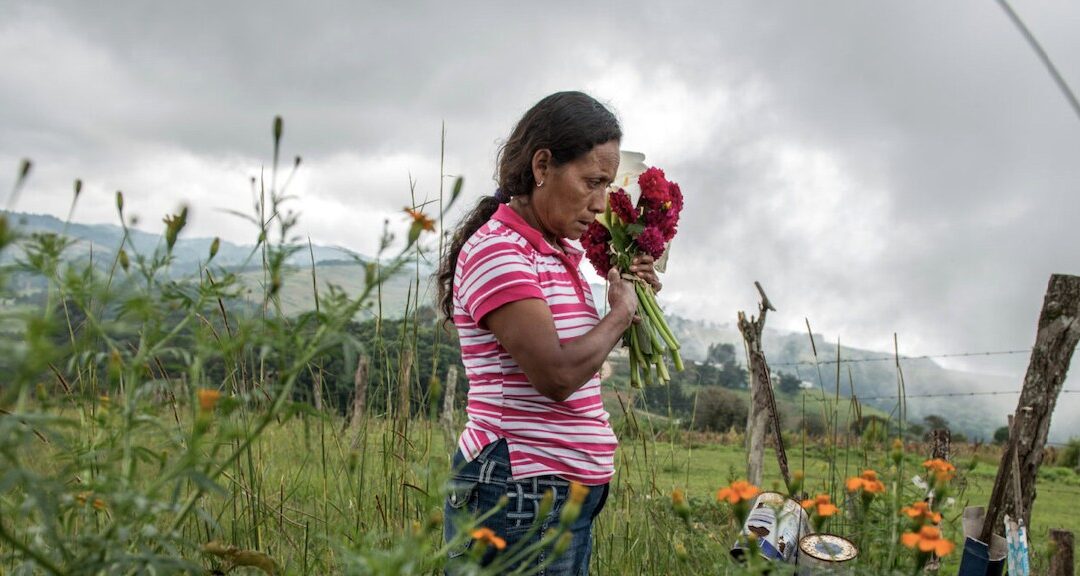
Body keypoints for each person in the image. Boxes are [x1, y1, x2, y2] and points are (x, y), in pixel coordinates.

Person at [436, 91, 662, 575]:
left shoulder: (556, 254)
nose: (601, 203)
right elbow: (556, 375)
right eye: (592, 182)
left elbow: (577, 357)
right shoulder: (500, 251)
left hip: (556, 492)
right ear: (543, 165)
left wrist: (627, 298)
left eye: (607, 184)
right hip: (520, 488)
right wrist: (619, 316)